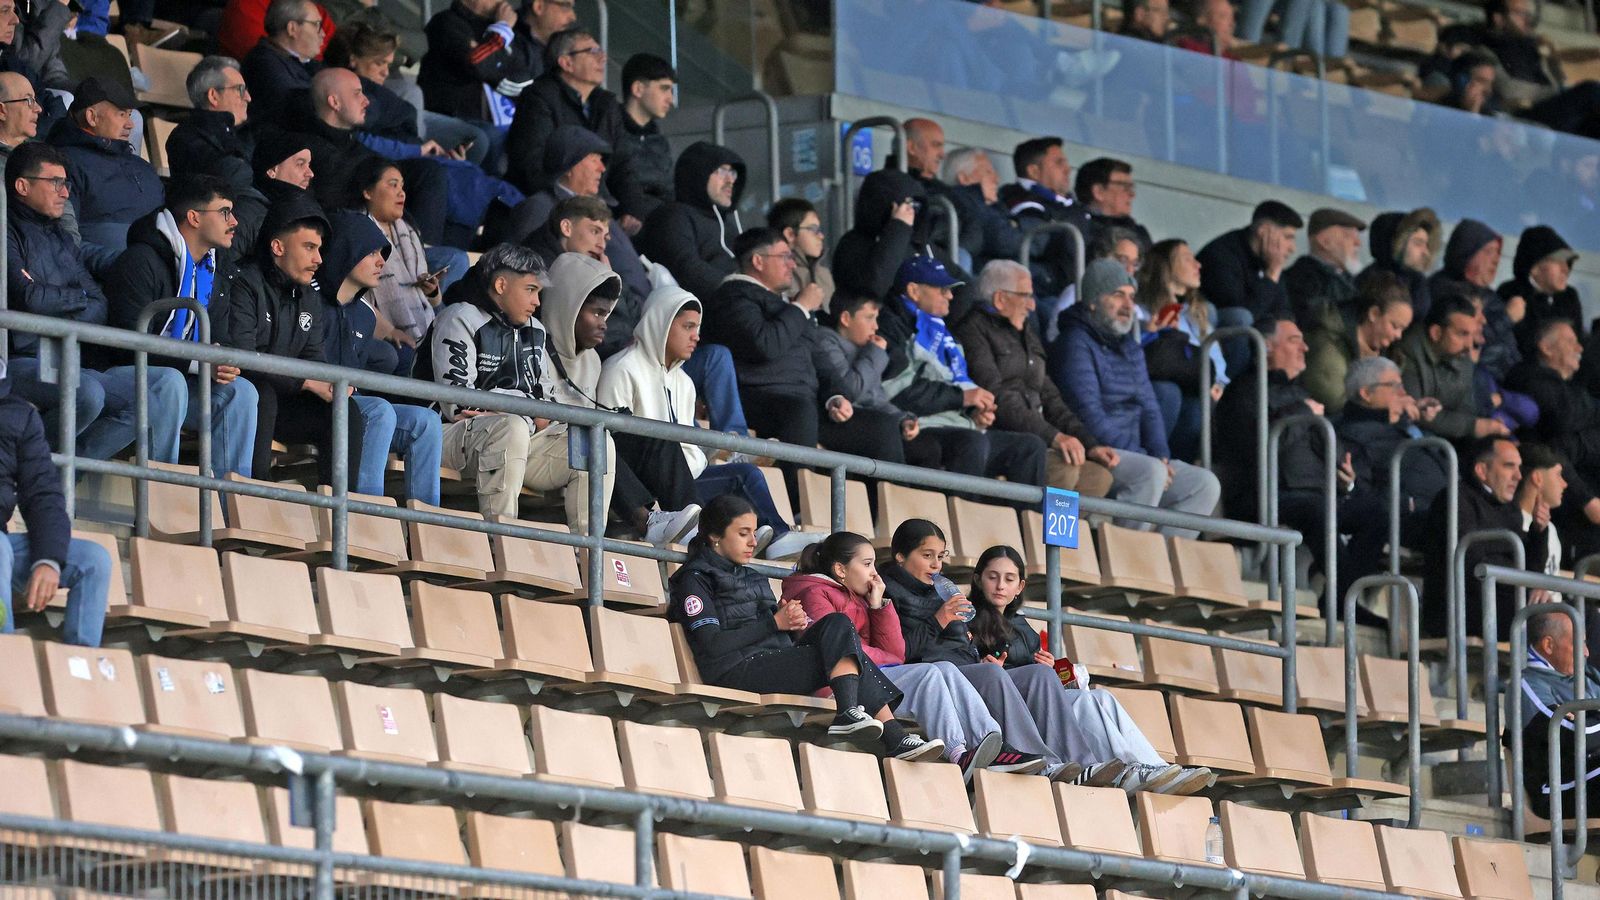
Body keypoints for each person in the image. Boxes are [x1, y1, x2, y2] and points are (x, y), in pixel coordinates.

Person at [881, 522, 1211, 793]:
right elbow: (903, 651)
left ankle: (1143, 768)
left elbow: (959, 646)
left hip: (996, 685)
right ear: (978, 580)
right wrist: (947, 625)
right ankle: (1058, 762)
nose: (937, 565)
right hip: (960, 682)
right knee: (1031, 685)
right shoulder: (903, 596)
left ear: (1020, 586)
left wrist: (1057, 671)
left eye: (1009, 580)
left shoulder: (1015, 623)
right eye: (928, 556)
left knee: (1094, 696)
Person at [669, 495, 945, 761]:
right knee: (844, 649)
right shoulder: (694, 579)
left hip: (768, 660)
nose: (754, 542)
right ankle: (884, 731)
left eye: (754, 533)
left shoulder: (752, 576)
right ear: (715, 536)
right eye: (743, 533)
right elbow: (712, 644)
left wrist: (791, 625)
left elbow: (770, 632)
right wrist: (774, 623)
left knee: (837, 625)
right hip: (733, 670)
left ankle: (856, 715)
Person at [785, 532, 1046, 779]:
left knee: (945, 668)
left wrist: (878, 606)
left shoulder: (861, 597)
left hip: (874, 675)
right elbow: (842, 649)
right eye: (867, 564)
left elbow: (895, 651)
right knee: (929, 673)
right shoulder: (813, 593)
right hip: (843, 683)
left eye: (874, 564)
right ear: (841, 570)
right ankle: (958, 753)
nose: (874, 572)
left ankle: (995, 743)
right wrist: (889, 652)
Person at [597, 284, 816, 558]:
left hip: (687, 478)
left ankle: (779, 536)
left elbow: (690, 448)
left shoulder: (685, 382)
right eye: (688, 327)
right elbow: (612, 443)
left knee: (746, 475)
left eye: (697, 328)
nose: (696, 337)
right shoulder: (621, 368)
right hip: (648, 485)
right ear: (661, 324)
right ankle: (711, 536)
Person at [5, 142, 185, 462]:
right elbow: (28, 297)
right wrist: (74, 299)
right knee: (87, 393)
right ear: (22, 186)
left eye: (67, 184)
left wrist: (56, 300)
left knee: (145, 403)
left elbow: (99, 305)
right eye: (55, 183)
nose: (65, 192)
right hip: (19, 358)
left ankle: (61, 478)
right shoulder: (5, 231)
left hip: (67, 357)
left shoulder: (61, 237)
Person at [419, 243, 612, 529]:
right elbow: (457, 404)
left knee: (595, 443)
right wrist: (522, 412)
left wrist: (517, 411)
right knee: (511, 427)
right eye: (530, 290)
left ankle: (587, 554)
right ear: (501, 284)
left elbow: (547, 405)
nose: (537, 302)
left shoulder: (536, 330)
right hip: (445, 434)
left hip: (518, 435)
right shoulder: (458, 317)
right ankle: (502, 538)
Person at [1050, 259, 1222, 536]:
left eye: (1131, 297)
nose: (1128, 305)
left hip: (1136, 453)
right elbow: (1087, 412)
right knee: (1149, 473)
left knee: (1203, 484)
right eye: (1118, 295)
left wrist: (1160, 455)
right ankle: (1127, 564)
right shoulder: (1073, 342)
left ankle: (1164, 568)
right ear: (1093, 301)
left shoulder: (1130, 346)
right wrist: (1145, 458)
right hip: (1096, 448)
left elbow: (1150, 407)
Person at [106, 175, 261, 480]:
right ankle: (162, 494)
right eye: (225, 213)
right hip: (129, 378)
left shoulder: (216, 270)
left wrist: (223, 358)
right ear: (193, 217)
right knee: (170, 382)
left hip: (182, 380)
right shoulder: (141, 260)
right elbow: (126, 341)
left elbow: (220, 334)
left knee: (241, 393)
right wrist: (197, 361)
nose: (235, 222)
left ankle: (229, 502)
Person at [542, 251, 701, 546]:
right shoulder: (533, 348)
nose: (605, 323)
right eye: (597, 313)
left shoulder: (591, 360)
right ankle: (648, 521)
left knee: (657, 439)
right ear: (569, 308)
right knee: (599, 441)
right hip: (550, 449)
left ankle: (696, 534)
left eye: (607, 314)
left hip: (584, 448)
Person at [228, 194, 367, 486]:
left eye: (319, 249)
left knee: (345, 410)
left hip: (287, 405)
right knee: (260, 393)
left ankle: (341, 510)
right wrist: (303, 382)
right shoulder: (244, 284)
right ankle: (254, 496)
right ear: (277, 247)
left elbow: (313, 356)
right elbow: (243, 357)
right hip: (248, 398)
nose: (318, 259)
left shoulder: (308, 296)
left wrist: (327, 382)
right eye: (309, 247)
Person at [880, 256, 1047, 498]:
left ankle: (1026, 533)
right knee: (971, 444)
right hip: (919, 427)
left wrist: (973, 412)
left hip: (958, 424)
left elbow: (954, 383)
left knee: (1031, 447)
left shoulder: (945, 334)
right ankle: (963, 530)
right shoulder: (893, 327)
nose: (950, 296)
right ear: (914, 291)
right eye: (942, 290)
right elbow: (898, 392)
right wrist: (962, 398)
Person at [956, 259, 1116, 498]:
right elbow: (996, 397)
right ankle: (1034, 533)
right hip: (1009, 438)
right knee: (1065, 469)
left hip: (1040, 436)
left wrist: (1089, 443)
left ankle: (1059, 535)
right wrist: (1054, 437)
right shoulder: (973, 330)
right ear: (1001, 298)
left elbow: (1051, 398)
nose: (1032, 305)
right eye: (1025, 295)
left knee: (1099, 477)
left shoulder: (1026, 331)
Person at [317, 210, 442, 506]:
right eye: (370, 251)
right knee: (379, 411)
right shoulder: (311, 300)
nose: (381, 262)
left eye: (382, 252)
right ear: (347, 250)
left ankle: (427, 525)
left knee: (426, 421)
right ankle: (366, 519)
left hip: (349, 403)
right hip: (315, 402)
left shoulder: (364, 315)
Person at [0, 360, 111, 648]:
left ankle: (79, 679)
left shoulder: (19, 415)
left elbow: (43, 496)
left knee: (93, 560)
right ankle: (7, 671)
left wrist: (48, 559)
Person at [294, 68, 451, 246]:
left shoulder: (353, 144)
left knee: (433, 172)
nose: (366, 101)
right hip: (354, 245)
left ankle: (421, 254)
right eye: (357, 94)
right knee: (455, 259)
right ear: (334, 102)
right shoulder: (312, 150)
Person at [1421, 436, 1545, 640]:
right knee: (1547, 620)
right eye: (1509, 466)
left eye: (1519, 468)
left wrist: (1538, 532)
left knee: (1576, 614)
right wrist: (1521, 581)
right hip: (1460, 609)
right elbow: (1473, 563)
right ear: (1482, 470)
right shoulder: (1455, 499)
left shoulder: (1509, 509)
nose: (1518, 476)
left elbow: (1525, 563)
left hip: (1500, 600)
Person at [1336, 357, 1452, 570]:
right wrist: (1409, 503)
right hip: (1411, 517)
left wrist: (1403, 418)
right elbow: (1362, 493)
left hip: (1440, 509)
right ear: (1366, 393)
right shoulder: (1353, 434)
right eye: (1394, 386)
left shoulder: (1400, 427)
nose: (1403, 393)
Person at [325, 21, 491, 169]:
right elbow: (361, 139)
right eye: (379, 63)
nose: (385, 72)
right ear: (353, 59)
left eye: (388, 64)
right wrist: (419, 153)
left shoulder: (380, 87)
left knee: (478, 140)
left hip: (414, 137)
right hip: (404, 152)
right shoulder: (342, 92)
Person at [47, 76, 163, 267]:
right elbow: (63, 240)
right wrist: (121, 264)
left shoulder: (143, 167)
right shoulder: (62, 163)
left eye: (129, 114)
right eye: (121, 115)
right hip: (106, 276)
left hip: (156, 273)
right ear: (92, 117)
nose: (131, 124)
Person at [1134, 239, 1226, 462]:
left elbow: (1217, 361)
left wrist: (1218, 383)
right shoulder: (1141, 309)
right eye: (1187, 258)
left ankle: (1177, 470)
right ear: (1166, 266)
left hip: (1193, 393)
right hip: (1152, 389)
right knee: (1168, 393)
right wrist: (1151, 331)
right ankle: (1152, 464)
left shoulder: (1195, 315)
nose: (1198, 265)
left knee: (1198, 409)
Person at [349, 159, 447, 360]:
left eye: (402, 186)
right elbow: (355, 299)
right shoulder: (356, 230)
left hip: (420, 320)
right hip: (377, 327)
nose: (401, 192)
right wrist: (390, 331)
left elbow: (431, 300)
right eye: (393, 185)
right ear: (368, 192)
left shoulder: (409, 230)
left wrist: (432, 290)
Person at [506, 28, 621, 195]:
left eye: (601, 51)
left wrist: (632, 210)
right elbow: (532, 164)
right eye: (592, 51)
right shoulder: (539, 97)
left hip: (595, 205)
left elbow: (622, 164)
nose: (603, 58)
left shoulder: (607, 104)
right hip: (550, 203)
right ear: (567, 63)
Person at [810, 292, 918, 467]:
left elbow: (877, 400)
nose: (875, 326)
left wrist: (903, 419)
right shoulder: (825, 339)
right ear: (845, 318)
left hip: (868, 419)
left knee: (934, 446)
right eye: (869, 318)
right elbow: (850, 389)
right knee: (884, 428)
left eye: (876, 319)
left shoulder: (865, 349)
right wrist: (875, 353)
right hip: (835, 419)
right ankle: (893, 492)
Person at [1513, 609, 1600, 821]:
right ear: (1548, 645)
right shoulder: (1527, 684)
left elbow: (1587, 732)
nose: (1587, 652)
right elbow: (1571, 736)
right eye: (1578, 644)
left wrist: (1588, 720)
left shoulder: (1589, 677)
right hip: (1557, 789)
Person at [635, 141, 747, 301]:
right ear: (699, 173)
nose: (731, 180)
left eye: (733, 173)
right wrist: (742, 294)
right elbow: (686, 268)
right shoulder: (673, 216)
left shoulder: (729, 225)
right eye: (722, 171)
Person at [1196, 201, 1301, 372]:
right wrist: (1272, 274)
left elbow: (1284, 312)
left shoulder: (1268, 261)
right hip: (1215, 341)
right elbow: (1244, 314)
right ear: (1263, 231)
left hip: (1255, 338)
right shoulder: (1221, 254)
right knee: (1240, 318)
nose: (1292, 248)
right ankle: (1233, 387)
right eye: (1287, 237)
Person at [1396, 293, 1505, 445]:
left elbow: (1466, 409)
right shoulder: (1408, 351)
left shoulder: (1461, 355)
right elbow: (1416, 414)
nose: (1469, 344)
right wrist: (1472, 426)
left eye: (1471, 335)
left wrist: (1474, 425)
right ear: (1436, 333)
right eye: (1462, 334)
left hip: (1452, 435)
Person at [998, 137, 1092, 308]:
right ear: (1034, 171)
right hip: (1046, 294)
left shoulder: (1073, 208)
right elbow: (1034, 246)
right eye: (1058, 163)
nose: (1067, 169)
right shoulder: (1022, 203)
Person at [1506, 320, 1600, 488]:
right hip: (1542, 478)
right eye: (1571, 341)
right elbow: (1565, 418)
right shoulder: (1528, 378)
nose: (1580, 348)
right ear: (1546, 348)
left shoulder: (1569, 386)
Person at [417, 0, 542, 126]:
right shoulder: (446, 22)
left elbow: (520, 74)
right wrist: (502, 30)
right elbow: (477, 62)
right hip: (455, 118)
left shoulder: (508, 30)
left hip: (499, 120)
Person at [1303, 271, 1413, 413]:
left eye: (1403, 329)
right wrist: (1392, 406)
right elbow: (1335, 403)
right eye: (1395, 326)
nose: (1399, 335)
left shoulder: (1392, 353)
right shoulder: (1327, 341)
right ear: (1374, 314)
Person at [611, 53, 676, 233]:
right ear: (638, 89)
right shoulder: (609, 131)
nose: (671, 99)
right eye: (664, 89)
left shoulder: (660, 142)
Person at [1501, 225, 1582, 355]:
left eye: (1568, 263)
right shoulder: (1511, 293)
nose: (1566, 269)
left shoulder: (1569, 297)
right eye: (1558, 262)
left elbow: (1579, 344)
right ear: (1534, 267)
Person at [239, 0, 323, 125]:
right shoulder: (263, 64)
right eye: (316, 25)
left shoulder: (304, 62)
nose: (323, 33)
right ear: (292, 28)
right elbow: (302, 110)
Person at [942, 147, 1022, 278]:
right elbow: (1003, 240)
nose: (997, 179)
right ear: (964, 178)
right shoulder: (963, 199)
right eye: (988, 172)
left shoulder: (991, 205)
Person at [1282, 208, 1365, 332]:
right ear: (1324, 241)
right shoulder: (1300, 278)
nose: (1358, 243)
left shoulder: (1354, 280)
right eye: (1348, 236)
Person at [1358, 207, 1439, 318]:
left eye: (1426, 245)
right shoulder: (1369, 284)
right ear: (1396, 243)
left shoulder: (1419, 283)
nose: (1426, 252)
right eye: (1418, 243)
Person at [767, 197, 835, 313]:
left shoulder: (825, 275)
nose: (821, 236)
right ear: (790, 234)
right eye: (813, 229)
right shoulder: (775, 273)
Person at [1075, 157, 1150, 252]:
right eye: (1124, 187)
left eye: (1131, 187)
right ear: (1099, 192)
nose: (1132, 194)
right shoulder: (1077, 232)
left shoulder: (1140, 233)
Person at [1517, 443, 1567, 576]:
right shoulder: (1508, 522)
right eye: (1558, 475)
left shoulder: (1550, 528)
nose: (1564, 483)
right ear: (1537, 478)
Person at [0, 70, 38, 161]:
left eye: (34, 100)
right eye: (29, 100)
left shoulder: (43, 152)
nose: (38, 108)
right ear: (1, 111)